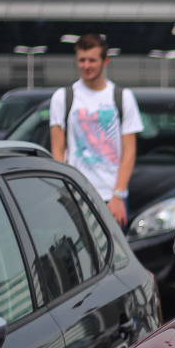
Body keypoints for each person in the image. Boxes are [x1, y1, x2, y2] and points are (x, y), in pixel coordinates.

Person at [49, 34, 141, 226]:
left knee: (115, 255)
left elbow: (129, 151)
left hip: (111, 197)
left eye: (92, 60)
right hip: (76, 194)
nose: (86, 66)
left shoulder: (123, 97)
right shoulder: (62, 97)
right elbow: (57, 150)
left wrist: (119, 195)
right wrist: (64, 189)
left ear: (105, 61)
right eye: (82, 60)